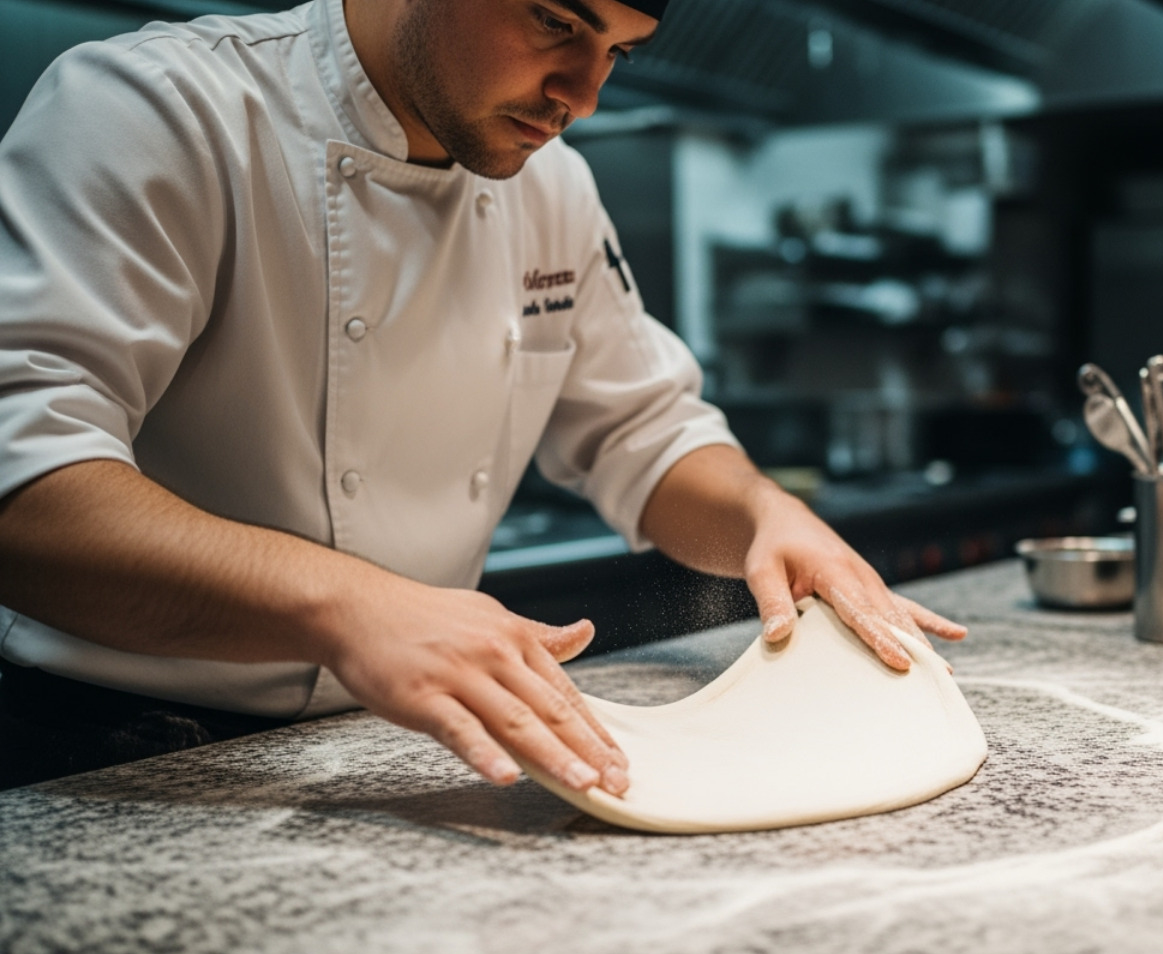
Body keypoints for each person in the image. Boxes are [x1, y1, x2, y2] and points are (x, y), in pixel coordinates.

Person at [0, 0, 966, 790]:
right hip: (98, 750)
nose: (582, 95)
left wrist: (762, 515)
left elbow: (645, 431)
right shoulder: (157, 110)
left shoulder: (554, 190)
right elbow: (25, 489)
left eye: (617, 52)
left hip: (403, 751)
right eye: (555, 21)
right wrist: (347, 606)